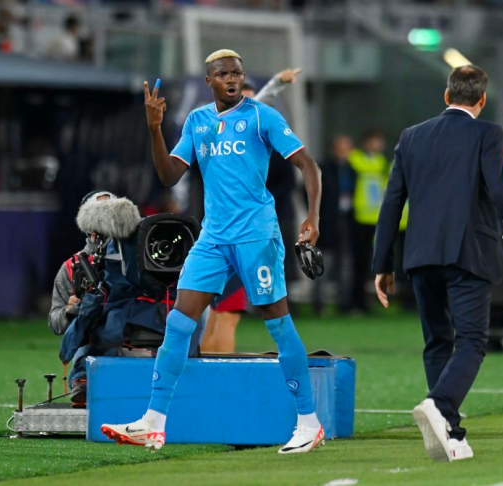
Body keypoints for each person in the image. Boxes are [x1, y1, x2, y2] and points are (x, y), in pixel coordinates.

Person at [101, 49, 325, 454]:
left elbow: (310, 166)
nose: (232, 79)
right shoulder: (198, 121)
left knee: (276, 321)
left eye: (237, 73)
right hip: (212, 239)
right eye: (223, 74)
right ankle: (153, 422)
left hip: (256, 235)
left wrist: (312, 218)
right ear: (210, 81)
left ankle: (309, 422)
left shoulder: (261, 116)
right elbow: (170, 175)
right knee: (180, 321)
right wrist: (154, 129)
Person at [372, 65, 503, 462]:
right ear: (482, 100)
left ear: (446, 95)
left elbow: (391, 204)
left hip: (420, 256)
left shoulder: (411, 136)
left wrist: (381, 264)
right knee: (471, 340)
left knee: (438, 340)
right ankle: (439, 405)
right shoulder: (487, 133)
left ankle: (450, 435)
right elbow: (502, 192)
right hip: (468, 254)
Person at [202, 67, 304, 353]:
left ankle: (201, 381)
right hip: (243, 233)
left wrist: (276, 83)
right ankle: (216, 384)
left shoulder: (218, 142)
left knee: (215, 314)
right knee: (226, 315)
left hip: (218, 231)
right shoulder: (246, 146)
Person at [48, 190, 116, 336]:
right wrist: (69, 311)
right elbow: (55, 323)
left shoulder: (133, 260)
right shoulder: (72, 266)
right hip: (90, 346)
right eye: (100, 210)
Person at [349, 129, 390, 313]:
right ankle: (355, 301)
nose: (378, 145)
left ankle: (368, 300)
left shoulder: (382, 162)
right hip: (359, 217)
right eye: (374, 141)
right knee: (358, 261)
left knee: (371, 263)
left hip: (376, 217)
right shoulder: (356, 159)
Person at [315, 134, 356, 314]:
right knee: (323, 264)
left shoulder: (353, 171)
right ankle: (319, 303)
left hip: (347, 223)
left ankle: (343, 304)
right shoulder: (323, 169)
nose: (344, 152)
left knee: (345, 265)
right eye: (341, 147)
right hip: (326, 224)